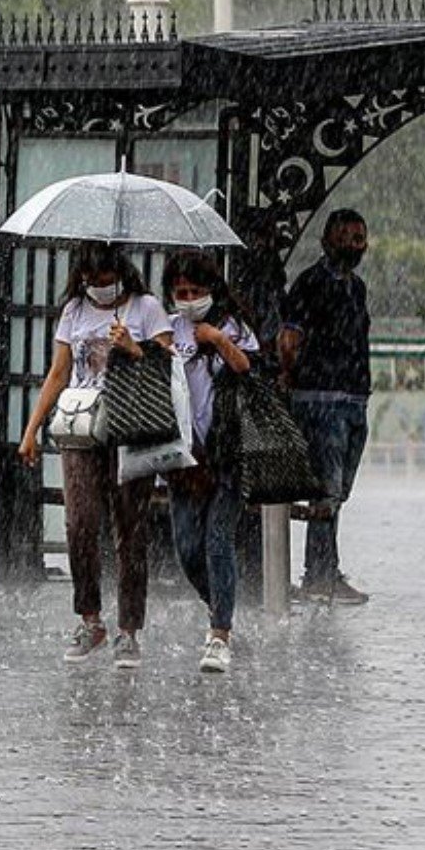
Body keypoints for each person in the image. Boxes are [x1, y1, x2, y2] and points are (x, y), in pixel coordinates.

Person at [17, 241, 173, 669]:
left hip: (130, 428)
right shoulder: (74, 312)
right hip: (82, 428)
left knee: (130, 528)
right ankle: (90, 618)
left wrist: (134, 348)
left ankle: (128, 628)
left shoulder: (146, 308)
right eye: (90, 281)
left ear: (119, 273)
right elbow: (59, 372)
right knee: (80, 522)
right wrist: (32, 429)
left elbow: (168, 365)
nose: (98, 288)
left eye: (105, 280)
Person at [161, 250, 258, 672]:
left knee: (218, 539)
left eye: (195, 291)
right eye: (180, 292)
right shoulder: (167, 328)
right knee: (187, 546)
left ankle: (220, 633)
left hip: (228, 451)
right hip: (185, 455)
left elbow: (249, 368)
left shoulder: (232, 325)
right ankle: (220, 604)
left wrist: (217, 339)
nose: (187, 298)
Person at [279, 208, 372, 605]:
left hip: (353, 399)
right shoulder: (310, 284)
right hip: (320, 400)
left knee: (338, 491)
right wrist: (292, 378)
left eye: (359, 238)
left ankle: (324, 568)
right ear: (326, 241)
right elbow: (288, 339)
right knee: (326, 489)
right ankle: (319, 574)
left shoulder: (357, 288)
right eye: (346, 237)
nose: (354, 245)